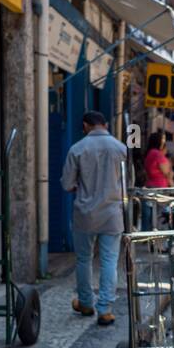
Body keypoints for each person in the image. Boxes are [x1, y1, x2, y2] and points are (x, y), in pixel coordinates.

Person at [63, 110, 127, 327]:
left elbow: (66, 184)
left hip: (85, 214)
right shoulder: (121, 149)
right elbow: (129, 183)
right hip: (112, 214)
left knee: (84, 259)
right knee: (110, 260)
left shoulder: (77, 149)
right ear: (105, 124)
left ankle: (85, 302)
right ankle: (105, 309)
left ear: (85, 125)